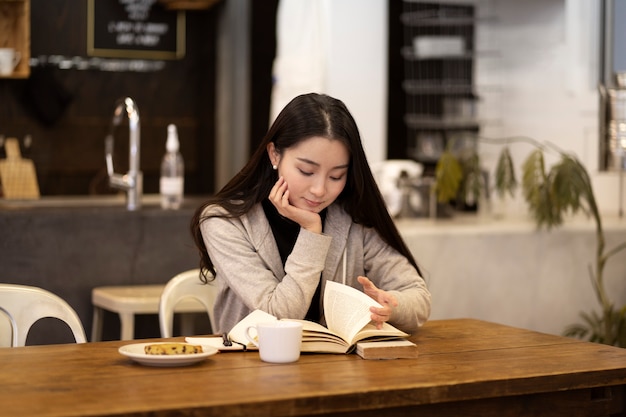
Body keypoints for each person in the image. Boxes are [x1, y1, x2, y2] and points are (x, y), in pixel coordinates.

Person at [191, 93, 431, 334]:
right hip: (251, 365)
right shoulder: (225, 222)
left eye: (336, 176)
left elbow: (418, 297)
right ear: (274, 154)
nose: (320, 190)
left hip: (334, 368)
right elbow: (280, 317)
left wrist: (390, 305)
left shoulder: (350, 217)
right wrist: (311, 233)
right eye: (306, 171)